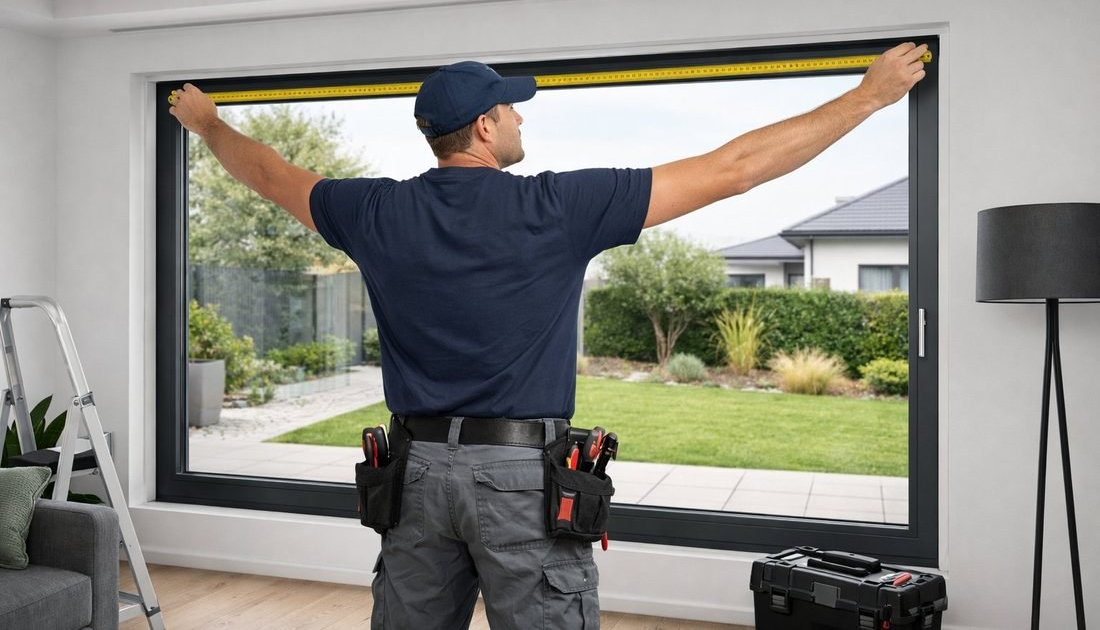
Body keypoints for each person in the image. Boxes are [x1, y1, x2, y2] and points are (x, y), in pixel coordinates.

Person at [168, 41, 927, 629]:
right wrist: (868, 96)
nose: (523, 119)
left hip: (417, 474)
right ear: (487, 125)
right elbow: (734, 169)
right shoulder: (558, 207)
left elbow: (267, 172)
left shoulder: (374, 212)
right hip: (520, 482)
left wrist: (205, 123)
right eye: (514, 109)